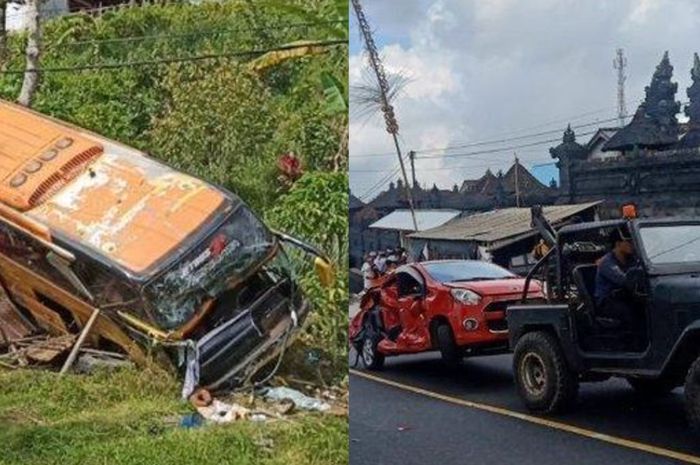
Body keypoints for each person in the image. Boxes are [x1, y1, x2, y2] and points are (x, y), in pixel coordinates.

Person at [594, 228, 640, 331]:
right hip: (607, 301)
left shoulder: (631, 259)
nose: (632, 244)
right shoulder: (607, 262)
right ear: (618, 244)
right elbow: (623, 280)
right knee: (631, 313)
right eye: (628, 241)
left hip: (625, 297)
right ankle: (633, 342)